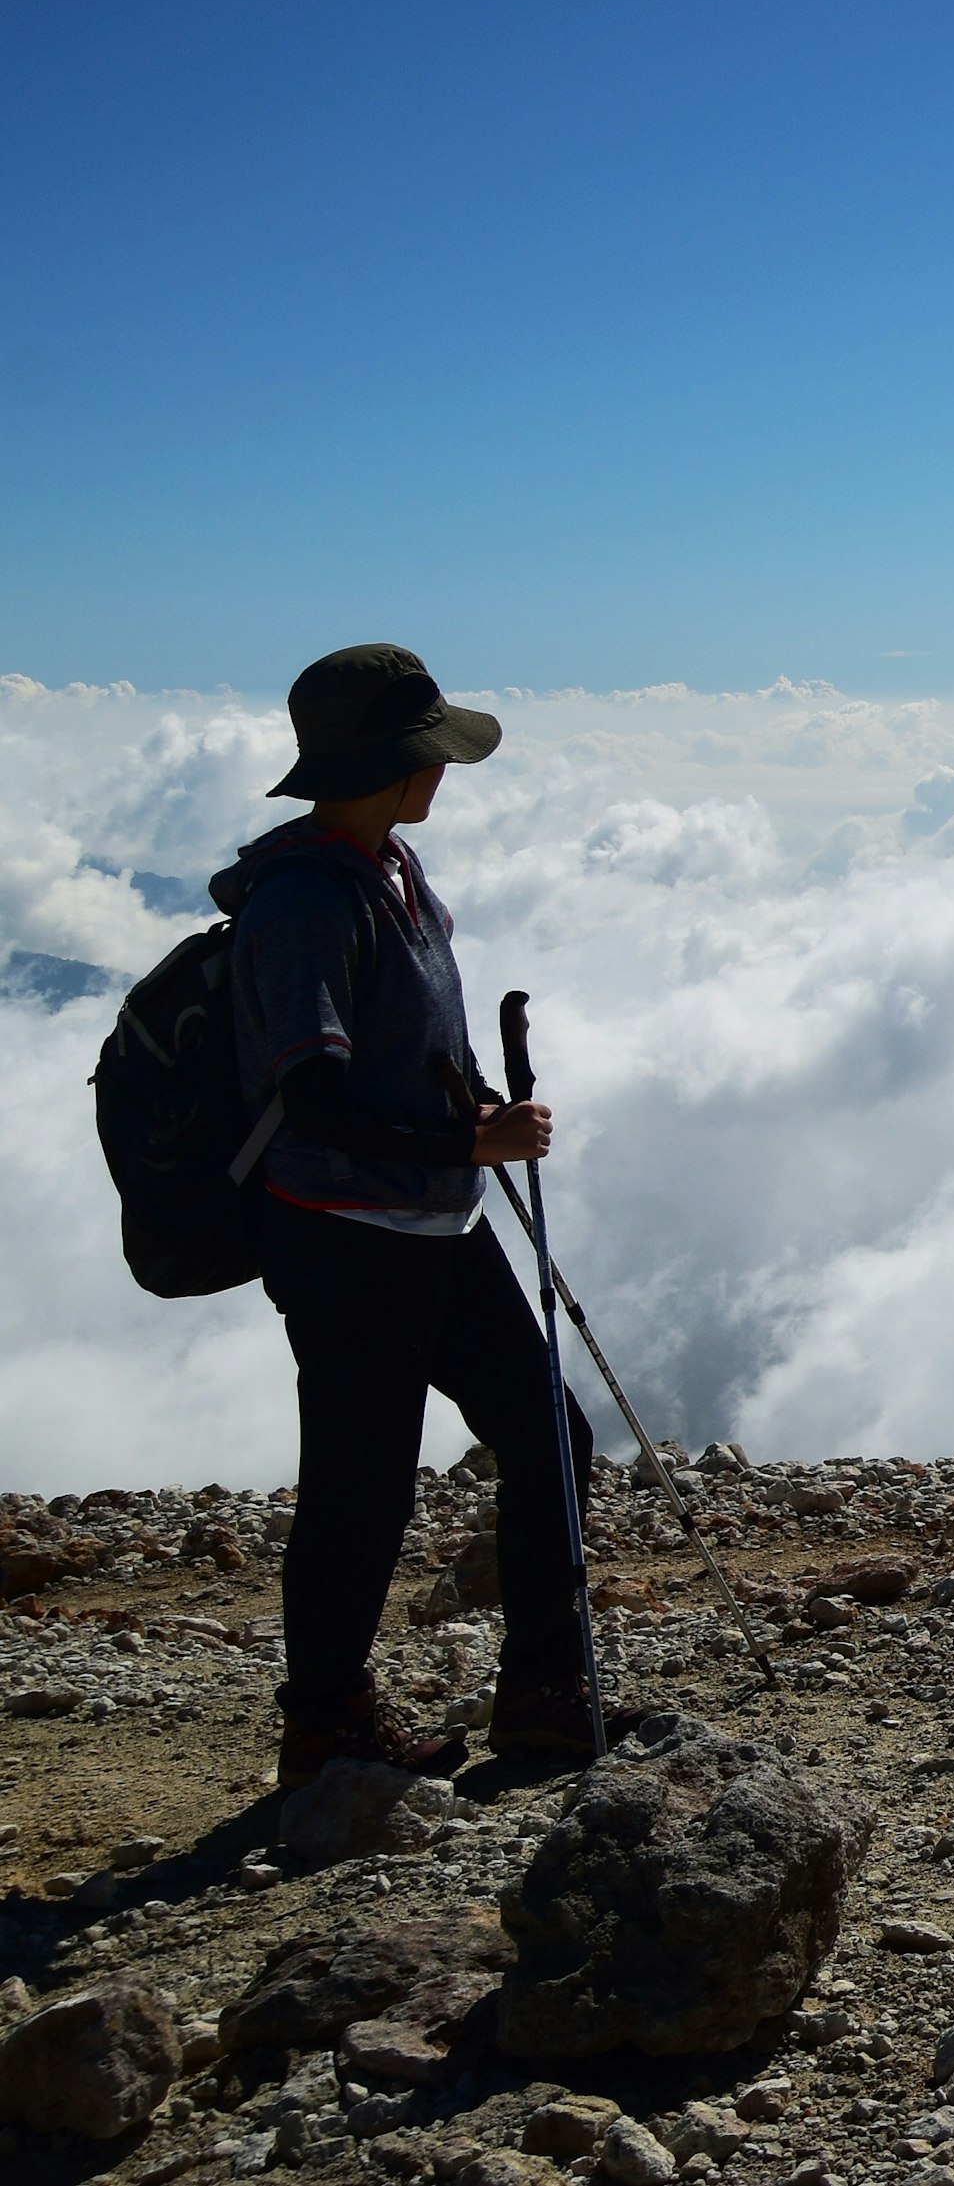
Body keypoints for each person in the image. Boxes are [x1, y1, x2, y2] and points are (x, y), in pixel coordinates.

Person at [213, 643, 600, 1780]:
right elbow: (315, 1100)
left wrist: (473, 1107)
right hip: (345, 1240)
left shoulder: (388, 870)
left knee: (549, 1436)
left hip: (434, 1222)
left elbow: (405, 1052)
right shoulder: (301, 904)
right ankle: (327, 1722)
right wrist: (465, 1139)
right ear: (395, 760)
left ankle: (540, 1691)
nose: (443, 770)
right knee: (361, 1481)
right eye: (429, 749)